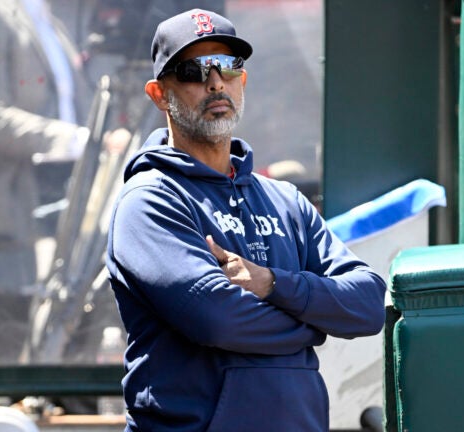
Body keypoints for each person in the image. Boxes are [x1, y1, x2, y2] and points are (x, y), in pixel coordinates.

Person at [105, 9, 386, 431]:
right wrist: (315, 323)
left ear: (243, 80)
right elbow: (218, 319)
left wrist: (273, 283)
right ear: (159, 94)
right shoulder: (150, 200)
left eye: (228, 66)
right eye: (193, 69)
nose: (215, 81)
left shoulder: (284, 199)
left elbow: (367, 305)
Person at [0, 0, 129, 363]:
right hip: (10, 213)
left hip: (69, 202)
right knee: (10, 341)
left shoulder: (51, 22)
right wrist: (81, 140)